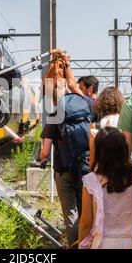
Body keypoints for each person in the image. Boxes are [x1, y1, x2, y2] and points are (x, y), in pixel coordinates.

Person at [40, 51, 90, 247]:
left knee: (70, 213)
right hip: (85, 167)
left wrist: (42, 159)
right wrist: (66, 64)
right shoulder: (84, 104)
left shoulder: (55, 115)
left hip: (63, 169)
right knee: (85, 209)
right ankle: (88, 242)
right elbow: (73, 84)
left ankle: (74, 245)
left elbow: (45, 152)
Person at [79, 127, 132, 249]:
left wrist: (82, 244)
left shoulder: (91, 181)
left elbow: (85, 222)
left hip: (102, 243)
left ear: (99, 152)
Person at [89, 87, 125, 170]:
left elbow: (92, 156)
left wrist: (91, 172)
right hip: (123, 171)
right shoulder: (126, 124)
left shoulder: (95, 126)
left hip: (103, 170)